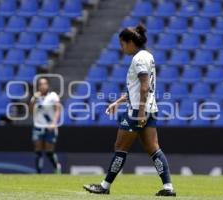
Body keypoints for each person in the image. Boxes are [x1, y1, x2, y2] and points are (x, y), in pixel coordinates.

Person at [83, 24, 176, 196]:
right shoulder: (148, 56)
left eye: (122, 44)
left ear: (131, 42)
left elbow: (144, 86)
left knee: (120, 147)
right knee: (153, 148)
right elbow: (136, 88)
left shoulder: (139, 59)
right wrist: (118, 102)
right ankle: (168, 187)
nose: (122, 48)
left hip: (138, 110)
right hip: (151, 108)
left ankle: (104, 186)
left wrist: (139, 112)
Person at [29, 77, 62, 174]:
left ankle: (56, 167)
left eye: (44, 84)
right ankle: (38, 172)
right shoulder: (35, 97)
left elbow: (57, 109)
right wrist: (34, 99)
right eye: (40, 84)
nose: (43, 86)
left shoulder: (53, 96)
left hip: (49, 127)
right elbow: (31, 111)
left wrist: (54, 123)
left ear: (48, 85)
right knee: (38, 150)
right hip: (38, 126)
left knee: (49, 151)